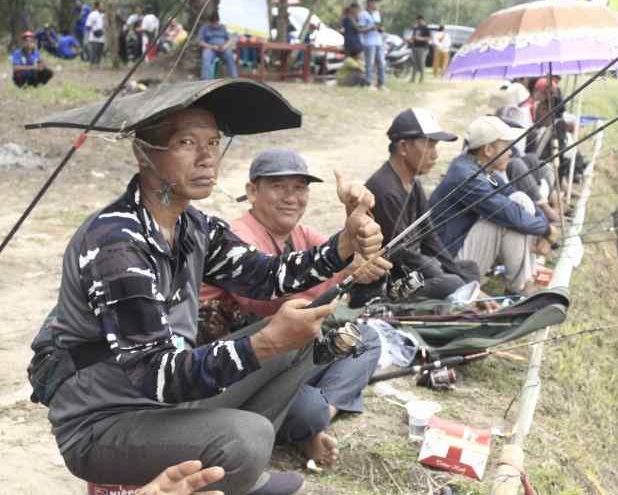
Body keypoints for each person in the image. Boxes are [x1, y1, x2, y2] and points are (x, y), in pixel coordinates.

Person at [25, 79, 391, 495]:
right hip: (104, 422)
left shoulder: (193, 226)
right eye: (186, 142)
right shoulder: (116, 244)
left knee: (310, 329)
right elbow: (156, 374)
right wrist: (263, 344)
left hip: (161, 403)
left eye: (213, 143)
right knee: (247, 437)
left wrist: (344, 243)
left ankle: (233, 474)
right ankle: (231, 462)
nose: (206, 159)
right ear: (144, 152)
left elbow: (267, 276)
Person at [200, 147, 382, 466]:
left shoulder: (301, 234)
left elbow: (346, 259)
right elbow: (266, 298)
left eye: (299, 188)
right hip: (238, 368)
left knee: (365, 337)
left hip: (288, 354)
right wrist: (345, 266)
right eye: (278, 186)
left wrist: (358, 226)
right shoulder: (237, 236)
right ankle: (307, 424)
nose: (291, 197)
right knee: (307, 408)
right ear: (252, 191)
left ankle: (317, 419)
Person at [356, 108, 503, 307]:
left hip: (411, 272)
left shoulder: (413, 183)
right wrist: (455, 281)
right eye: (429, 145)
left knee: (468, 269)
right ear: (403, 147)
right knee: (452, 283)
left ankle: (462, 298)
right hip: (383, 287)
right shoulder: (384, 189)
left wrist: (470, 284)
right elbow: (400, 254)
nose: (435, 154)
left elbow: (429, 238)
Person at [430, 116, 559, 295]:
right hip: (449, 264)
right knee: (507, 219)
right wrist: (545, 230)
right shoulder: (467, 176)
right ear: (489, 149)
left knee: (520, 198)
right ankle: (520, 288)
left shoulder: (479, 168)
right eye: (506, 147)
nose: (511, 153)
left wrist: (545, 227)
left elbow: (512, 194)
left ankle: (524, 281)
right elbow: (509, 213)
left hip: (463, 248)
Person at [357, 0, 386, 90]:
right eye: (375, 2)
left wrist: (380, 29)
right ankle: (368, 83)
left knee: (381, 63)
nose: (377, 4)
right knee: (370, 64)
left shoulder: (377, 13)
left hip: (378, 41)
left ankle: (381, 84)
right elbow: (360, 29)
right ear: (370, 2)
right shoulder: (363, 14)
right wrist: (371, 28)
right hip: (369, 42)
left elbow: (378, 26)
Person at [199, 12, 238, 80]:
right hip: (210, 48)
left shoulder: (223, 27)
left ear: (218, 21)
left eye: (216, 22)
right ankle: (204, 78)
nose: (215, 25)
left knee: (230, 56)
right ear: (210, 22)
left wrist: (225, 46)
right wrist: (212, 47)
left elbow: (229, 40)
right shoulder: (204, 28)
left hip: (223, 48)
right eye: (213, 23)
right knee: (206, 56)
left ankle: (234, 78)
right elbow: (201, 42)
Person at [408, 15, 431, 83]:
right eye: (417, 20)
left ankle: (421, 79)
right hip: (415, 47)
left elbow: (429, 38)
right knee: (414, 63)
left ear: (422, 20)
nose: (417, 22)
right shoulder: (415, 28)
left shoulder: (426, 28)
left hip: (422, 48)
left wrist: (421, 39)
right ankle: (413, 79)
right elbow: (413, 37)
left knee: (421, 64)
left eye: (419, 20)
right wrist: (410, 40)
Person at [84, 1, 106, 67]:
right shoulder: (92, 14)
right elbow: (88, 26)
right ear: (97, 6)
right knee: (94, 52)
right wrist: (93, 32)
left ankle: (97, 65)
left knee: (100, 52)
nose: (103, 7)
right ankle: (92, 65)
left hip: (102, 36)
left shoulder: (103, 15)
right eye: (101, 5)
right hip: (94, 37)